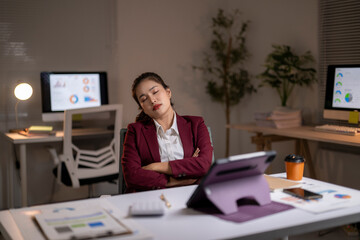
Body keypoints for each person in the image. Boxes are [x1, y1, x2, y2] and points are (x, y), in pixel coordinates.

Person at [121, 72, 213, 192]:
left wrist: (155, 167)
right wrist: (171, 181)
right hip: (153, 199)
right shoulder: (135, 131)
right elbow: (131, 176)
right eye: (144, 99)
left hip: (192, 196)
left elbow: (204, 165)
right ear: (142, 107)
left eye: (155, 92)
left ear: (168, 92)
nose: (152, 100)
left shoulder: (196, 124)